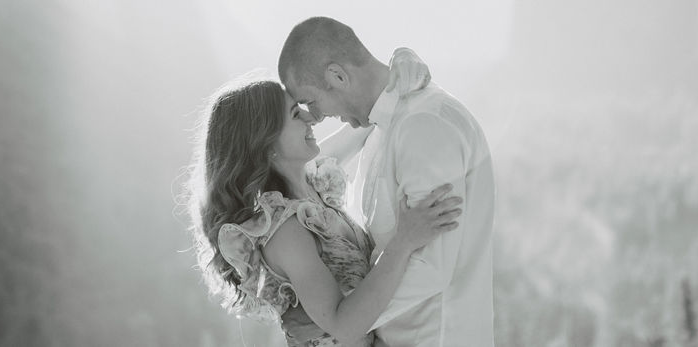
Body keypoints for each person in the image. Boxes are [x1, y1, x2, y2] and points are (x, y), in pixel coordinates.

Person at [186, 68, 463, 347]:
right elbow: (344, 326)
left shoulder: (314, 187)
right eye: (296, 114)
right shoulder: (287, 232)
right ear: (266, 145)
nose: (312, 118)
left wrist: (398, 69)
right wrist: (404, 241)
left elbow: (366, 117)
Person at [279, 17, 496, 346]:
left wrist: (338, 319)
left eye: (310, 102)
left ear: (337, 76)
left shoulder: (424, 127)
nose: (316, 117)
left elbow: (431, 265)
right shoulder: (384, 126)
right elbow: (306, 168)